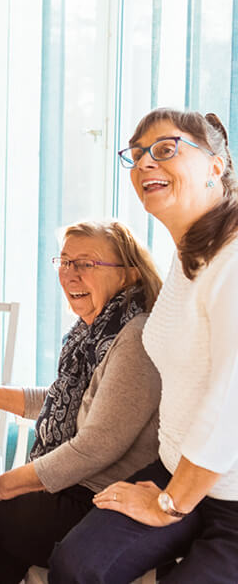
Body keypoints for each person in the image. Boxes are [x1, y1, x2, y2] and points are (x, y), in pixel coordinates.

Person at [48, 109, 238, 584]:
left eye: (165, 150)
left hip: (226, 497)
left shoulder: (232, 261)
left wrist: (170, 502)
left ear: (217, 165)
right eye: (135, 156)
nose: (145, 164)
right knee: (75, 565)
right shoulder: (190, 255)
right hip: (177, 471)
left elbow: (229, 402)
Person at [0, 220, 162, 583]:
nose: (70, 274)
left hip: (94, 501)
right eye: (64, 262)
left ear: (128, 275)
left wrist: (1, 485)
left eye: (86, 264)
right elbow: (53, 400)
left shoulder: (135, 337)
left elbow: (95, 448)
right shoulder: (96, 332)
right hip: (72, 484)